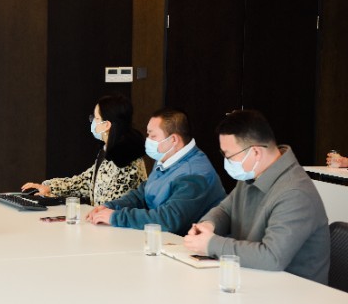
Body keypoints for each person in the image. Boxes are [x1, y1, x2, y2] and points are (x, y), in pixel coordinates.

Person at [184, 110, 330, 284]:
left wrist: (211, 244)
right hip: (253, 278)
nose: (226, 161)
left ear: (255, 153)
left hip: (294, 291)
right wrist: (209, 225)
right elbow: (225, 210)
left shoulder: (295, 193)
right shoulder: (252, 174)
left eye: (229, 155)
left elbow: (272, 257)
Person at [87, 107, 225, 235]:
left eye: (153, 136)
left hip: (188, 245)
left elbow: (168, 220)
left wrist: (116, 217)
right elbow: (143, 194)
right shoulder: (168, 157)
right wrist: (111, 207)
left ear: (173, 139)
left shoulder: (194, 174)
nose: (148, 140)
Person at [21, 94, 147, 205]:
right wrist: (49, 187)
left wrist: (56, 198)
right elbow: (86, 181)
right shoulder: (109, 150)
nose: (92, 122)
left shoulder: (125, 160)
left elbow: (109, 205)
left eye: (96, 118)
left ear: (106, 125)